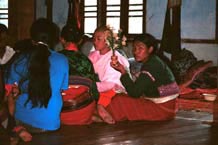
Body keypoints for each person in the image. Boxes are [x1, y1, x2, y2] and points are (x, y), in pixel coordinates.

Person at [4, 18, 69, 143]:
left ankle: (15, 128)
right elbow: (61, 89)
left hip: (22, 119)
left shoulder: (20, 59)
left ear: (32, 38)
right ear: (54, 39)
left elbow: (9, 92)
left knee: (5, 105)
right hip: (50, 123)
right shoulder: (62, 60)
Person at [109, 33, 179, 122]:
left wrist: (123, 71)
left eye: (140, 48)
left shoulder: (152, 65)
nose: (135, 52)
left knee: (118, 100)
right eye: (134, 48)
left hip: (162, 109)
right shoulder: (154, 60)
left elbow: (135, 93)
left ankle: (108, 116)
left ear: (150, 49)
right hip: (169, 106)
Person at [88, 26, 130, 124]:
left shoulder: (114, 57)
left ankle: (100, 106)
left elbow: (112, 82)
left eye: (99, 39)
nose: (95, 41)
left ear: (108, 42)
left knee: (108, 92)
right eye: (94, 39)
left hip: (112, 85)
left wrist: (94, 86)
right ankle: (94, 114)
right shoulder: (93, 55)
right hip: (97, 84)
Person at [59, 24, 99, 125]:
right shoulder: (86, 61)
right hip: (83, 111)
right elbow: (94, 92)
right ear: (80, 41)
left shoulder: (55, 58)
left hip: (59, 111)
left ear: (62, 39)